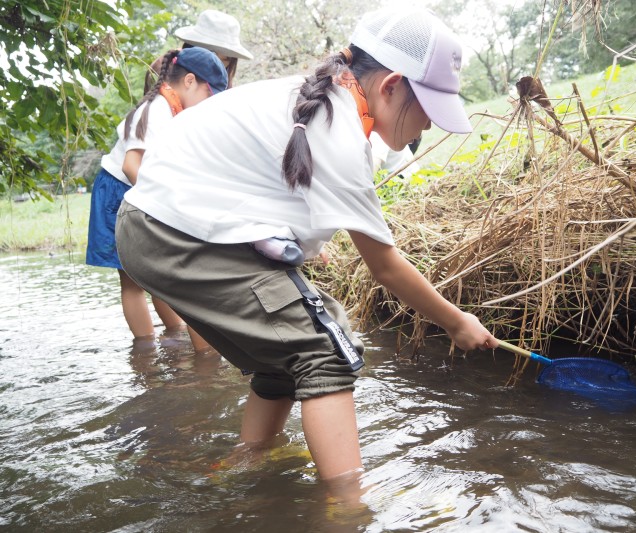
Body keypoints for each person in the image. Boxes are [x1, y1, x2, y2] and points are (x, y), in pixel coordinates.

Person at [115, 7, 498, 497]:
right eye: (428, 106)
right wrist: (456, 321)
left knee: (283, 355)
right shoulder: (337, 130)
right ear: (392, 86)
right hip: (173, 233)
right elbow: (385, 267)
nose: (429, 123)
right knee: (326, 350)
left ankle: (249, 464)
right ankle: (345, 510)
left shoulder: (314, 101)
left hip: (155, 227)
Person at [87, 47, 228, 350]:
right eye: (209, 93)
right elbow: (131, 165)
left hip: (140, 192)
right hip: (119, 192)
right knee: (133, 281)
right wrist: (165, 206)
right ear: (189, 81)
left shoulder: (173, 108)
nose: (210, 103)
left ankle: (174, 336)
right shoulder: (156, 110)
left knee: (158, 274)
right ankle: (145, 350)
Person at [144, 9, 252, 94]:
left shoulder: (224, 86)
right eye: (211, 55)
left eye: (224, 59)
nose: (216, 64)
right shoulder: (164, 67)